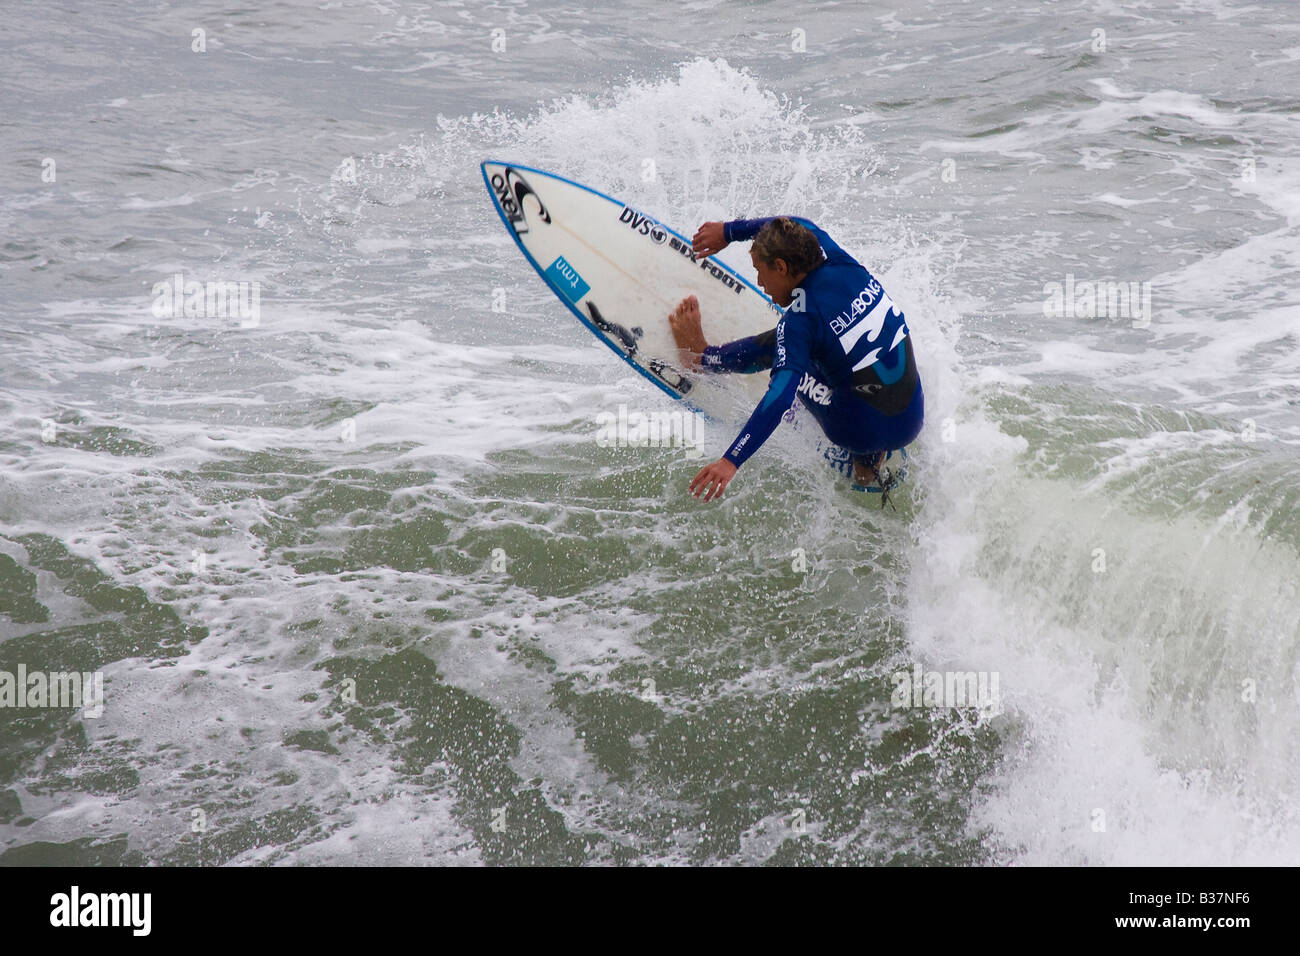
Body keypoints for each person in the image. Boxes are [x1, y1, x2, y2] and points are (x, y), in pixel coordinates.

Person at [669, 216, 923, 501]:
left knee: (784, 348)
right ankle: (868, 464)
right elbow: (799, 223)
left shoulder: (799, 321)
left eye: (760, 271)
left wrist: (731, 460)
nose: (759, 282)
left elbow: (779, 397)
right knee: (833, 347)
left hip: (855, 432)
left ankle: (703, 359)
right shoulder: (840, 261)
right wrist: (729, 232)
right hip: (912, 419)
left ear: (781, 267)